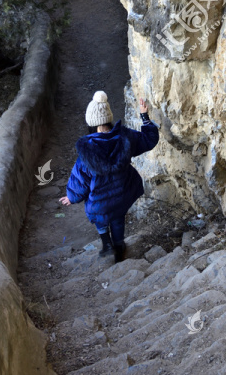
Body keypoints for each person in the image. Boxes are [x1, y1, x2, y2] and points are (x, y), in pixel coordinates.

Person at [59, 91, 159, 263]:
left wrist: (71, 197)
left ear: (91, 122)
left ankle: (106, 244)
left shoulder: (87, 152)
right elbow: (149, 140)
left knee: (101, 219)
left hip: (100, 202)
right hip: (121, 194)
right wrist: (144, 117)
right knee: (118, 219)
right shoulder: (125, 138)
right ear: (109, 118)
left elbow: (80, 181)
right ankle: (119, 249)